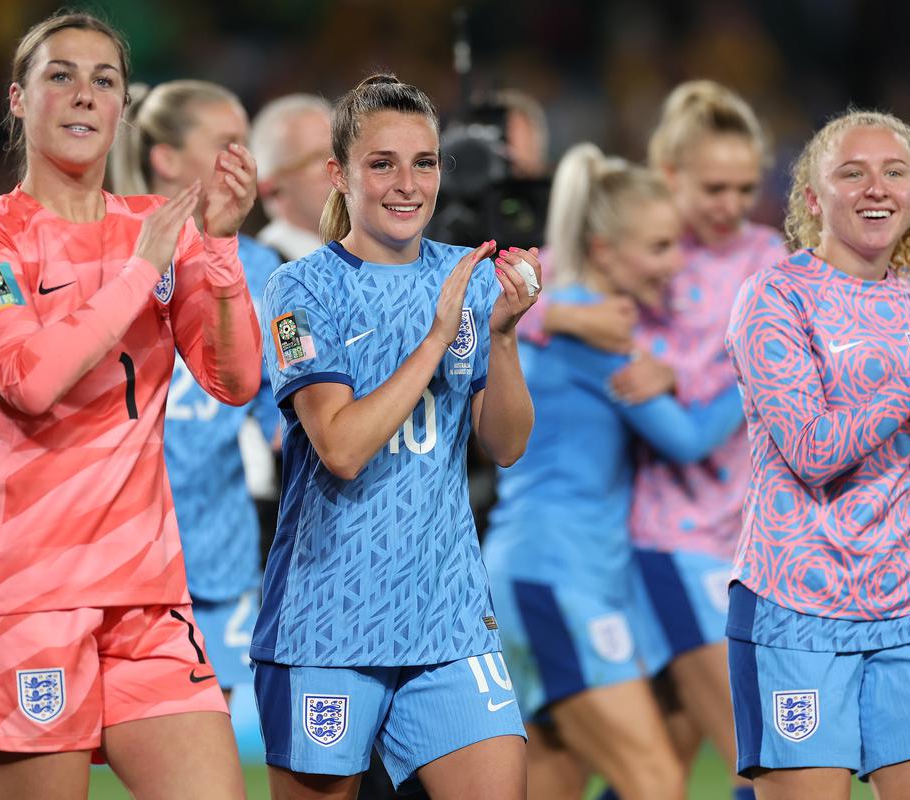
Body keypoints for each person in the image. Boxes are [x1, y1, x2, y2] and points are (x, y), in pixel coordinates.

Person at [0, 12, 262, 798]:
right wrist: (134, 277)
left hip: (146, 598)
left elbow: (236, 379)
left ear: (120, 108)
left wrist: (217, 247)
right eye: (60, 76)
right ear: (19, 99)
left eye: (103, 80)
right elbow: (29, 380)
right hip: (26, 597)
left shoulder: (159, 228)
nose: (83, 95)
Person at [253, 73, 538, 800]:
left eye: (425, 162)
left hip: (447, 616)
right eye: (382, 164)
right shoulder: (301, 288)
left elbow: (504, 445)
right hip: (327, 620)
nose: (407, 184)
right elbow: (341, 448)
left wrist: (500, 339)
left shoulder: (467, 277)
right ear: (339, 176)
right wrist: (438, 338)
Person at [725, 109, 910, 800]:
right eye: (852, 172)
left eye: (894, 172)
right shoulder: (774, 297)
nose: (875, 187)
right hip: (795, 608)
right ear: (814, 199)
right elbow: (813, 452)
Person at [481, 143, 747, 800]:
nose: (674, 262)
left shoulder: (579, 316)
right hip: (555, 575)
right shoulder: (594, 331)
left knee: (555, 786)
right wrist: (758, 372)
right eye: (657, 247)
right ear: (605, 250)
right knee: (655, 780)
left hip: (557, 574)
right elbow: (686, 440)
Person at [607, 80, 784, 798]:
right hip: (670, 536)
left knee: (664, 761)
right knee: (763, 753)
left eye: (745, 187)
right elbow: (549, 296)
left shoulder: (770, 254)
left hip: (753, 538)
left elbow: (785, 368)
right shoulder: (639, 253)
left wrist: (677, 375)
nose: (731, 205)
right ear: (669, 174)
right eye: (714, 186)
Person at [110, 78, 283, 704]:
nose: (243, 159)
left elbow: (276, 406)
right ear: (166, 158)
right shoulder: (107, 252)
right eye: (225, 143)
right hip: (116, 545)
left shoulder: (260, 268)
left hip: (214, 546)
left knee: (199, 753)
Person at [251, 93, 334, 263]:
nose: (339, 169)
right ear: (269, 185)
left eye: (340, 152)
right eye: (317, 158)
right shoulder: (259, 275)